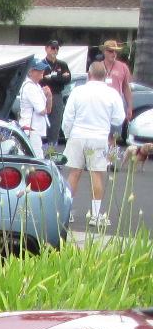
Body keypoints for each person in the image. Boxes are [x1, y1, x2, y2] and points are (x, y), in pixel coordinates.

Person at [63, 60, 124, 230]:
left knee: (74, 173)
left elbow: (68, 116)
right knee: (96, 175)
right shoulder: (112, 94)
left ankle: (68, 211)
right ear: (105, 76)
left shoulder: (78, 91)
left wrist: (68, 134)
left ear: (89, 75)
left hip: (78, 135)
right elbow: (119, 118)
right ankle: (96, 215)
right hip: (99, 137)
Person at [100, 39, 133, 156]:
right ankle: (94, 158)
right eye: (110, 51)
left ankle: (111, 159)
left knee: (114, 134)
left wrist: (129, 106)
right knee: (100, 133)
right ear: (104, 51)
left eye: (115, 52)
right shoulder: (98, 66)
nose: (113, 54)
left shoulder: (123, 67)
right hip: (101, 104)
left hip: (116, 104)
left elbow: (126, 88)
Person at [39, 40, 71, 148]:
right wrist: (58, 77)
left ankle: (51, 152)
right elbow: (42, 80)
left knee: (55, 125)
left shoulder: (62, 64)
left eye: (57, 48)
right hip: (43, 95)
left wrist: (52, 77)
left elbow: (67, 79)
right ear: (46, 48)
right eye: (53, 48)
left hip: (56, 95)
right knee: (41, 123)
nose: (55, 50)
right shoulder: (41, 64)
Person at [18, 57, 50, 148]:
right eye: (38, 69)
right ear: (30, 72)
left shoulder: (37, 86)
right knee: (37, 158)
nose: (41, 71)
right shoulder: (30, 87)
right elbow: (42, 111)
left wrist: (49, 96)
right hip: (31, 129)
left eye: (42, 68)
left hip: (35, 129)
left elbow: (48, 110)